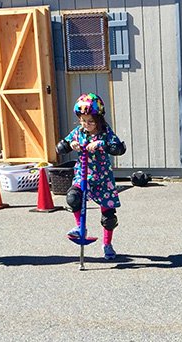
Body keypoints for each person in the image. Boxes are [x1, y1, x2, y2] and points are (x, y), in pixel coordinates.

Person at [56, 93, 127, 260]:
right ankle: (80, 228)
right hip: (83, 174)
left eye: (90, 121)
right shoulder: (78, 132)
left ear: (99, 119)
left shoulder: (105, 132)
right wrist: (70, 144)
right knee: (73, 197)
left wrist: (102, 144)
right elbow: (60, 147)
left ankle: (107, 244)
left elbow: (119, 148)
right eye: (83, 120)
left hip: (103, 179)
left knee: (109, 218)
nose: (86, 124)